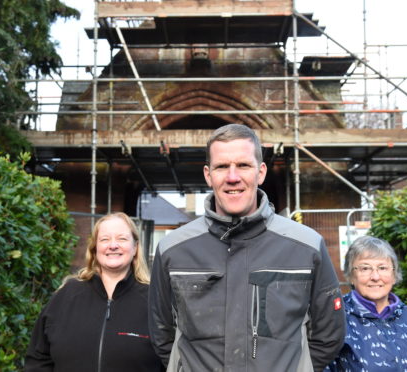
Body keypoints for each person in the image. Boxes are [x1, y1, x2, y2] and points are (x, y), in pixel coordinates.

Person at [148, 123, 346, 371]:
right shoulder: (172, 250)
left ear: (260, 172)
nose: (233, 177)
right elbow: (162, 333)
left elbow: (328, 334)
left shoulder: (307, 246)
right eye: (222, 167)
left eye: (243, 165)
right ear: (208, 175)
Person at [25, 212, 165, 372]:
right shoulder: (66, 296)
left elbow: (169, 360)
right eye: (105, 239)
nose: (113, 245)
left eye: (122, 239)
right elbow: (38, 358)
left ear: (135, 248)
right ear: (95, 248)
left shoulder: (154, 300)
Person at [325, 235, 407, 372]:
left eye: (383, 268)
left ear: (394, 275)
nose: (375, 277)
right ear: (350, 276)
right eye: (365, 268)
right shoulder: (334, 318)